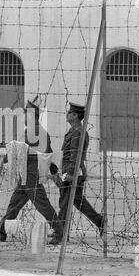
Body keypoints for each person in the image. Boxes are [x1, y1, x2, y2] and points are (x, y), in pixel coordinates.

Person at [0, 101, 64, 245]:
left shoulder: (34, 132)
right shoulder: (39, 132)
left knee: (42, 205)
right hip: (27, 173)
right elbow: (48, 153)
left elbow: (19, 151)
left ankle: (60, 233)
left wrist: (2, 158)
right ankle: (1, 230)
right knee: (15, 203)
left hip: (30, 174)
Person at [56, 102, 104, 240]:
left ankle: (61, 234)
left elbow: (75, 154)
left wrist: (70, 173)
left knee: (65, 202)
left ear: (76, 115)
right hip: (74, 170)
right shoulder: (76, 130)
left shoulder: (77, 132)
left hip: (72, 171)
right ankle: (99, 221)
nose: (67, 114)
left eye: (70, 113)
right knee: (76, 200)